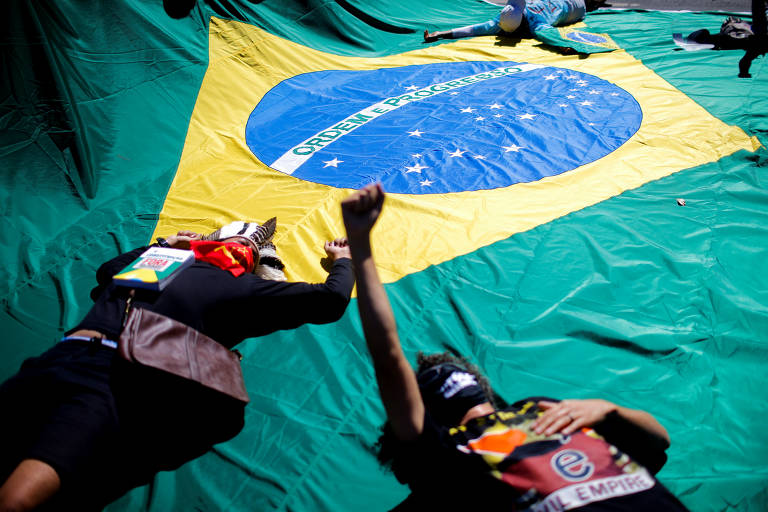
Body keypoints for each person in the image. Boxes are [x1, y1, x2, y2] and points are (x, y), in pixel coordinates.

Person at [340, 183, 690, 510]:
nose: (455, 384)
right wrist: (361, 249)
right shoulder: (444, 454)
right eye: (439, 383)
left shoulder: (540, 408)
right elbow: (388, 358)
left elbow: (659, 443)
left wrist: (608, 410)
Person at [0, 218, 354, 511]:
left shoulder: (164, 266)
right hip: (107, 376)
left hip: (73, 361)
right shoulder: (241, 289)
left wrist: (167, 245)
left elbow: (107, 272)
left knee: (21, 491)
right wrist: (344, 260)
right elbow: (331, 299)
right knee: (23, 495)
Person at [424, 0, 613, 55]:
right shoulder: (502, 19)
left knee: (591, 3)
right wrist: (440, 33)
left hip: (574, 7)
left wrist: (564, 47)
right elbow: (474, 29)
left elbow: (551, 36)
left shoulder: (536, 22)